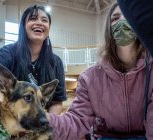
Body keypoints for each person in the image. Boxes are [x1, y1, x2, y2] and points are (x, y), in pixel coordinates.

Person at [47, 3, 152, 139]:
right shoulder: (90, 77)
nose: (121, 21)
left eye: (126, 16)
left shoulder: (151, 70)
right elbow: (77, 120)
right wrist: (44, 121)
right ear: (108, 29)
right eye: (115, 18)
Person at [0, 5, 67, 133]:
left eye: (44, 20)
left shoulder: (56, 63)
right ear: (24, 26)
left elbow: (57, 102)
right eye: (33, 18)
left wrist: (47, 123)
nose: (39, 23)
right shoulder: (6, 54)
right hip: (4, 129)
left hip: (37, 130)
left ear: (49, 29)